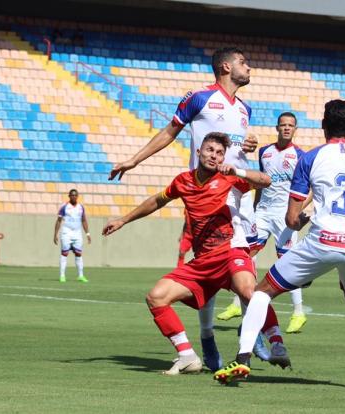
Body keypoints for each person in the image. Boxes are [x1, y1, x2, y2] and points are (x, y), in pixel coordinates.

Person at [214, 100, 345, 385]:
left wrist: (301, 220)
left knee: (262, 292)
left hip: (322, 241)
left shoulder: (311, 158)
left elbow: (292, 219)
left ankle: (242, 358)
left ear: (323, 125)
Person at [108, 46, 260, 372]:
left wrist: (248, 145)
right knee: (210, 268)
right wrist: (134, 160)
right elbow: (170, 131)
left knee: (244, 274)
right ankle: (208, 337)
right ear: (225, 66)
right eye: (243, 62)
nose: (249, 67)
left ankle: (253, 339)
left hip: (239, 196)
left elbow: (236, 152)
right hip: (206, 196)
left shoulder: (245, 109)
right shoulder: (199, 98)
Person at [103, 133, 289, 375]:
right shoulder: (183, 181)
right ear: (199, 152)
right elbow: (157, 201)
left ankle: (277, 343)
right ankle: (187, 356)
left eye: (219, 153)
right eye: (210, 150)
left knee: (249, 292)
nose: (214, 156)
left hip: (231, 250)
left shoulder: (229, 178)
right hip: (202, 261)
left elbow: (266, 180)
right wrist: (123, 220)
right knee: (156, 297)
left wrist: (239, 171)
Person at [217, 112, 312, 334]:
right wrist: (255, 207)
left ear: (295, 129)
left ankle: (298, 312)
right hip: (262, 212)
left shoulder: (300, 156)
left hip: (284, 215)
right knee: (246, 252)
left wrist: (297, 210)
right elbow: (260, 182)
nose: (286, 128)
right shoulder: (265, 152)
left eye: (290, 125)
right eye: (283, 125)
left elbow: (309, 189)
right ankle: (237, 303)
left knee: (288, 261)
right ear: (277, 128)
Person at [53, 189, 91, 283]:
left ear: (77, 196)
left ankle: (80, 275)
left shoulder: (81, 207)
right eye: (72, 195)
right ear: (69, 196)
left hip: (77, 233)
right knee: (64, 254)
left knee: (78, 254)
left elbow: (84, 220)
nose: (73, 197)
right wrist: (55, 234)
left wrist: (87, 234)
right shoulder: (64, 207)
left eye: (75, 195)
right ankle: (62, 276)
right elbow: (59, 221)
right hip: (66, 232)